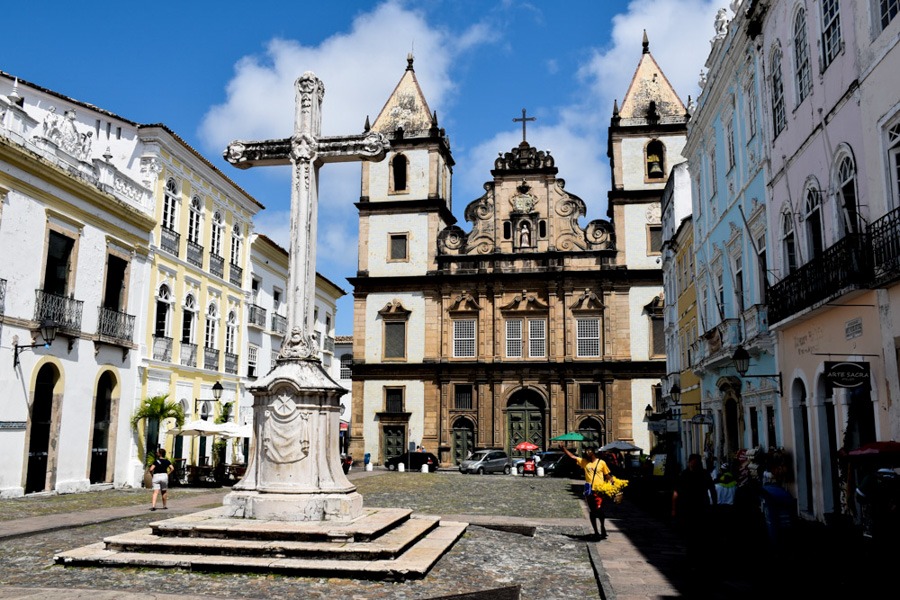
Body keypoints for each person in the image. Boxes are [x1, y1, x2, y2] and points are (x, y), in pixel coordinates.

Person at [672, 453, 717, 562]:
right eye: (694, 463)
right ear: (690, 462)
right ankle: (693, 556)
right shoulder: (685, 475)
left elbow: (712, 490)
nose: (695, 465)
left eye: (697, 463)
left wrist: (714, 505)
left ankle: (697, 556)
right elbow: (676, 493)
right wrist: (674, 509)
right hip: (689, 509)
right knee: (691, 534)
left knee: (699, 534)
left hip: (701, 508)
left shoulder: (703, 474)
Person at [560, 444, 610, 540]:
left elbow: (607, 475)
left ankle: (602, 526)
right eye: (585, 451)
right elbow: (572, 457)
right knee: (592, 511)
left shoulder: (601, 463)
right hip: (588, 489)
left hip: (599, 490)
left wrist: (613, 484)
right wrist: (564, 449)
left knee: (599, 510)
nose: (586, 453)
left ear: (593, 452)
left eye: (589, 451)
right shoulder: (584, 462)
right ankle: (596, 531)